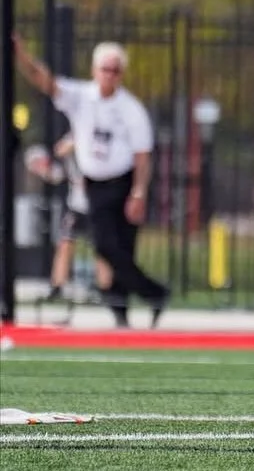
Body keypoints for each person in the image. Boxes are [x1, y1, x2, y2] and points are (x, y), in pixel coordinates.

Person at [13, 35, 170, 328]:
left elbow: (142, 155)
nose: (109, 75)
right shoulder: (81, 96)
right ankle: (154, 293)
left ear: (122, 74)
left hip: (123, 183)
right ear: (95, 70)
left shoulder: (130, 108)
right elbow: (44, 80)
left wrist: (138, 192)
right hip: (95, 185)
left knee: (121, 248)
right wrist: (21, 55)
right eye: (105, 69)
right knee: (105, 247)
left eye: (115, 70)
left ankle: (123, 310)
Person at [25, 133, 112, 303]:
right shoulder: (75, 136)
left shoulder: (93, 137)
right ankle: (57, 284)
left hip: (96, 204)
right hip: (77, 205)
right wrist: (44, 169)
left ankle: (106, 289)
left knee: (101, 248)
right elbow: (60, 163)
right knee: (65, 242)